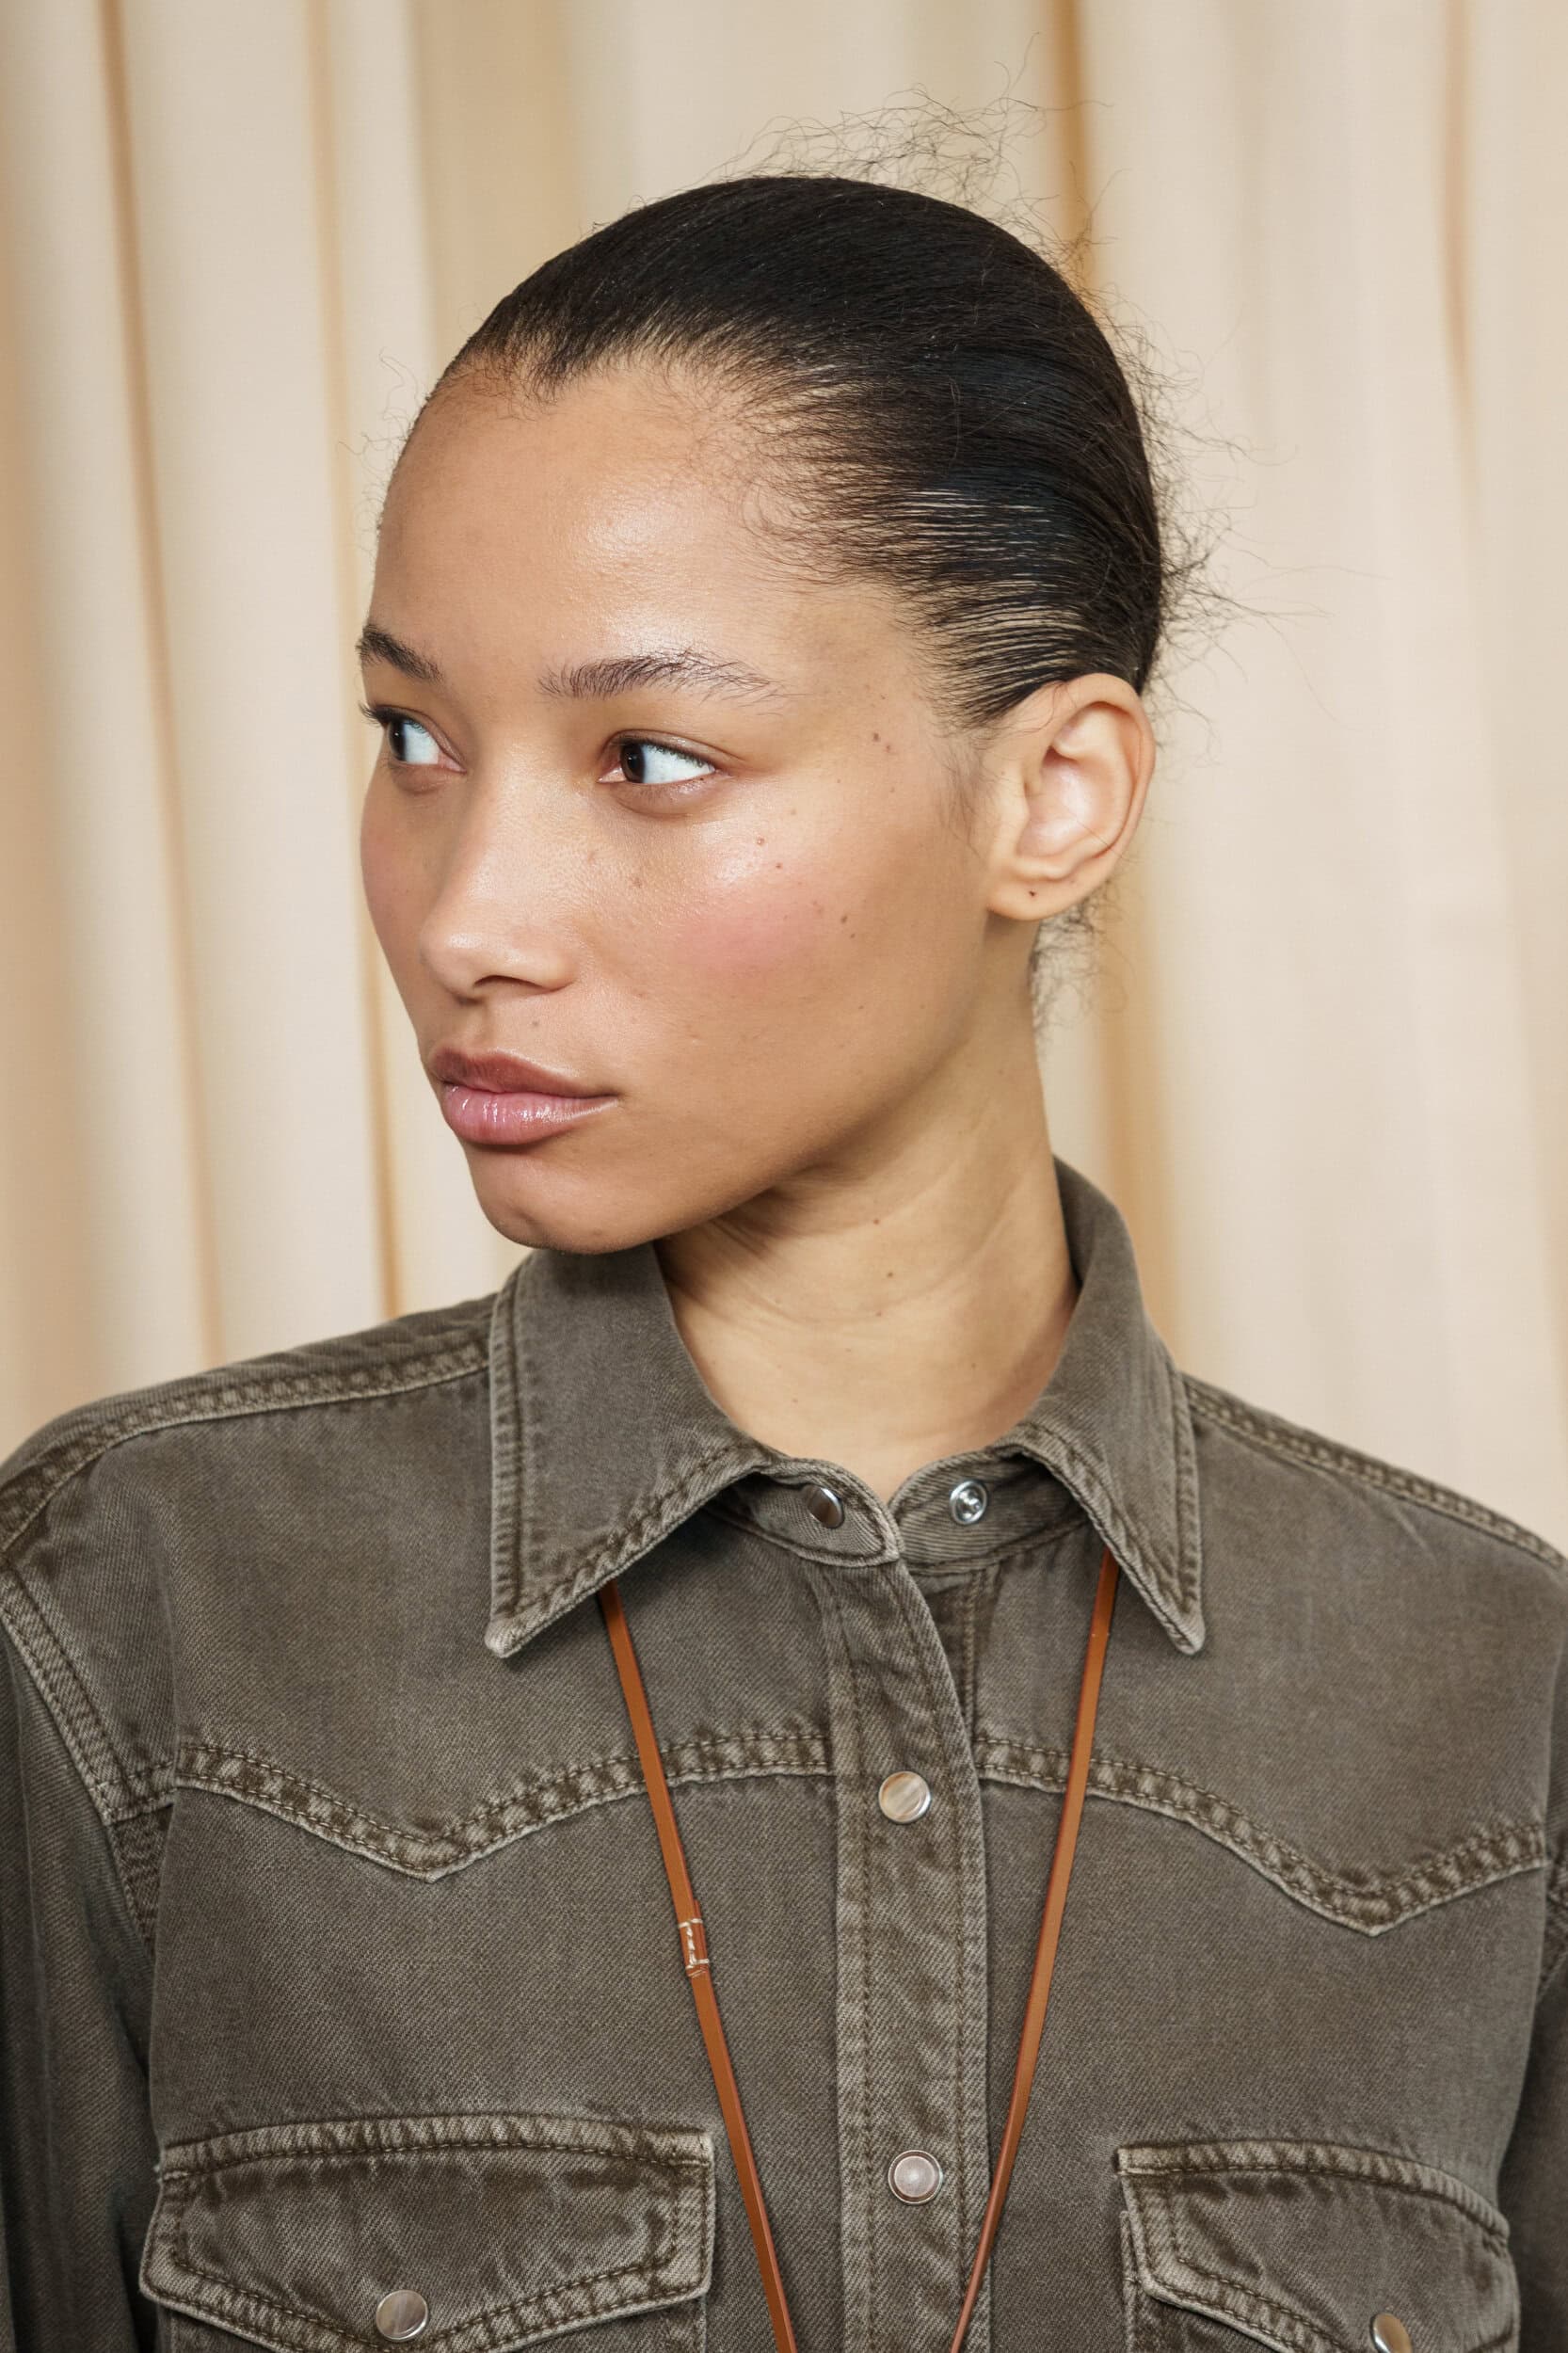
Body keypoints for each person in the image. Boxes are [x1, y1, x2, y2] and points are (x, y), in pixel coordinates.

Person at [1, 161, 1562, 2353]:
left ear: (1050, 794)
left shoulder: (1492, 1695)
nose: (465, 914)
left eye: (646, 757)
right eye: (414, 740)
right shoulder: (124, 1606)